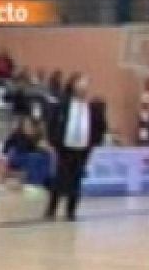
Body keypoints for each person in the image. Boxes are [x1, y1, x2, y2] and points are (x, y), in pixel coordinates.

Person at [44, 73, 105, 221]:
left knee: (76, 180)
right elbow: (52, 123)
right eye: (80, 82)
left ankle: (71, 211)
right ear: (73, 85)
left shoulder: (92, 108)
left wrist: (93, 143)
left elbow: (100, 127)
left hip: (82, 149)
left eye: (86, 83)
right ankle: (51, 209)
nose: (83, 86)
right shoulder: (63, 105)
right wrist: (53, 141)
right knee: (60, 178)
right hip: (65, 147)